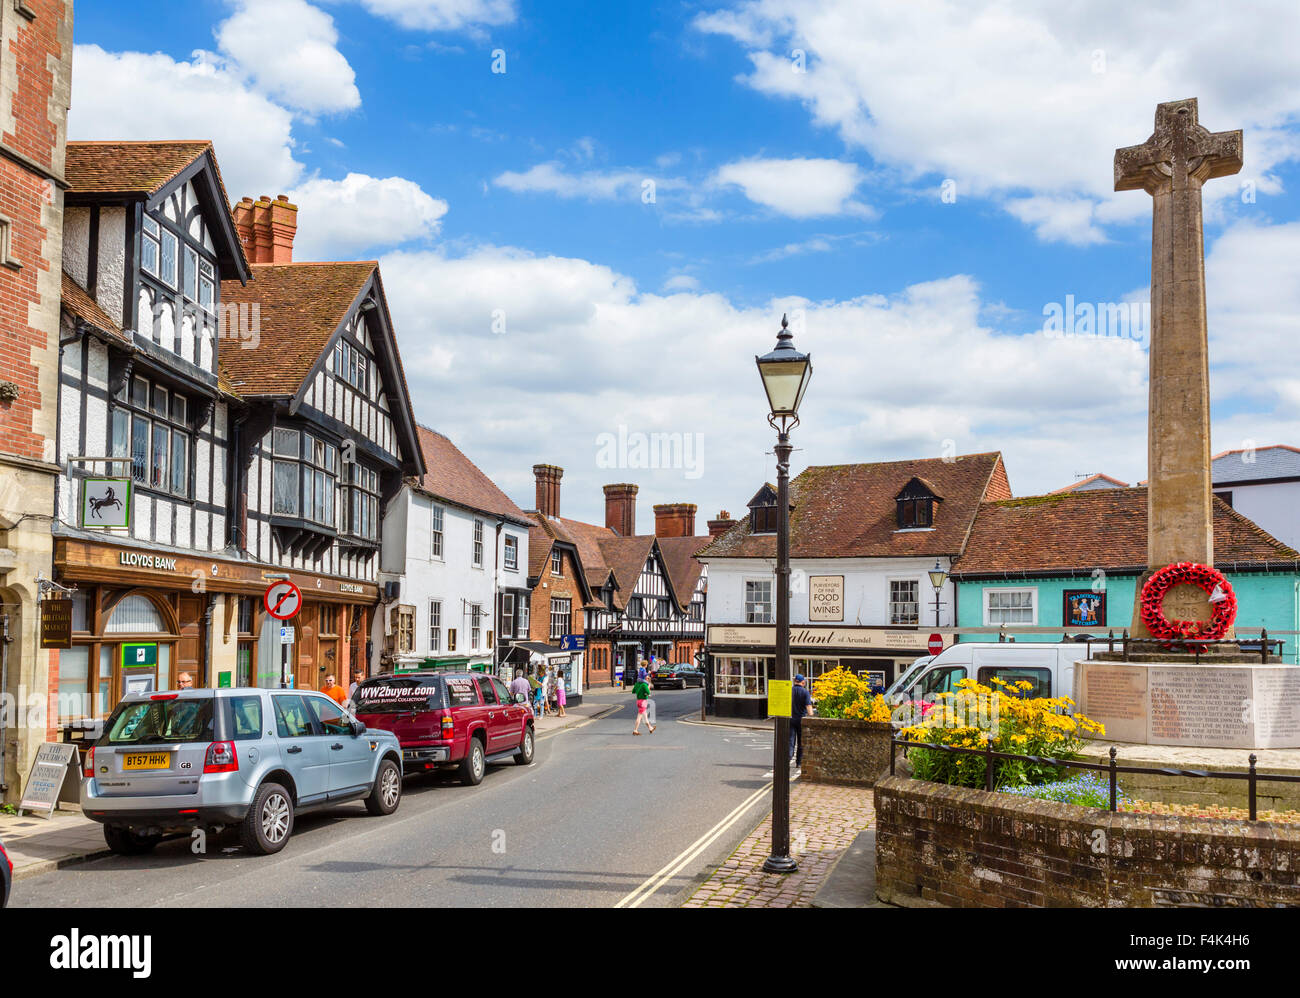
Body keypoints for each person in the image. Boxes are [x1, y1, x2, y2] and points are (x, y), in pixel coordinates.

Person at [790, 673, 814, 769]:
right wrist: (811, 717)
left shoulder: (790, 691)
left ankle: (788, 758)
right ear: (803, 682)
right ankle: (798, 762)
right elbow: (808, 706)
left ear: (795, 681)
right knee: (801, 742)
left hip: (790, 719)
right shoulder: (805, 692)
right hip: (801, 720)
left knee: (790, 741)